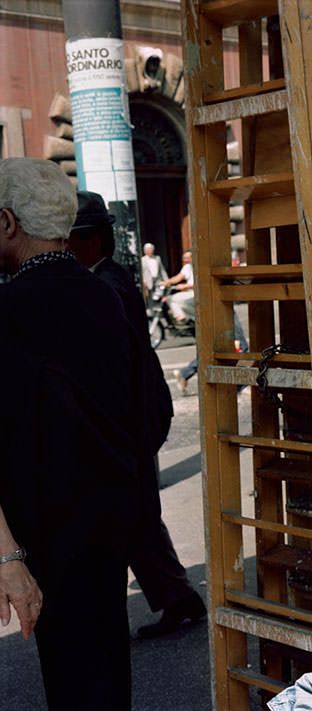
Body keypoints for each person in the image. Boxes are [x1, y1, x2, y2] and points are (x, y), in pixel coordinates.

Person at [0, 158, 140, 708]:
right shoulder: (103, 293)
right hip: (109, 513)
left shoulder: (8, 308)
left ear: (9, 223)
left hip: (45, 527)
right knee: (106, 662)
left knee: (71, 672)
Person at [65, 191, 207, 637]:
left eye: (69, 241)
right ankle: (179, 597)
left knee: (133, 515)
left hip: (129, 421)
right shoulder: (112, 277)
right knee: (138, 514)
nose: (64, 249)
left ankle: (178, 598)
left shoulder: (103, 284)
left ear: (89, 242)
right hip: (136, 417)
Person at [159, 249, 195, 322]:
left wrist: (185, 286)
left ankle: (185, 318)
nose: (185, 260)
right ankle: (188, 320)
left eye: (187, 258)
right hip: (190, 292)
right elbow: (178, 277)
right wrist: (167, 282)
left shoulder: (199, 266)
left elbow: (201, 284)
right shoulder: (187, 267)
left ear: (193, 257)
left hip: (196, 293)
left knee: (172, 299)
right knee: (172, 300)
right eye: (184, 258)